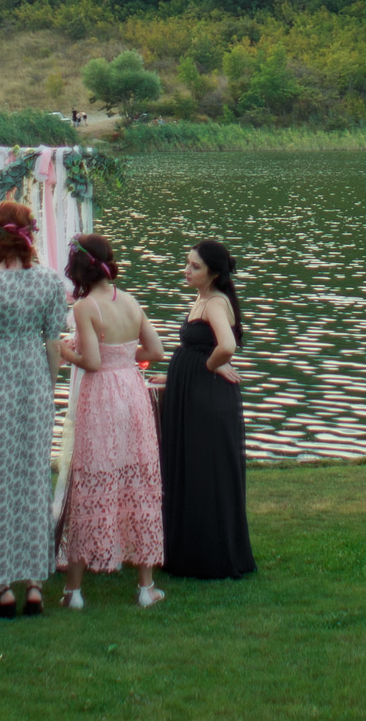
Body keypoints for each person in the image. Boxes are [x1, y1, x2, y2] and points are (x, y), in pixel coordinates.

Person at [0, 199, 70, 618]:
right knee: (31, 483)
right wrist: (49, 385)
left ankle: (2, 588)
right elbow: (53, 343)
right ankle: (35, 585)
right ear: (29, 236)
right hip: (34, 388)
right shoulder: (49, 283)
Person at [55, 233, 169, 608]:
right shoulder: (131, 301)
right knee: (137, 478)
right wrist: (123, 353)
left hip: (101, 395)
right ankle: (145, 587)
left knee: (90, 478)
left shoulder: (85, 307)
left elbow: (91, 362)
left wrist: (63, 351)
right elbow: (155, 350)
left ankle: (74, 591)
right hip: (133, 393)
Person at [160, 239, 255, 579]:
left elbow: (226, 346)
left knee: (206, 472)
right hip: (193, 393)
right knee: (192, 470)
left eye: (195, 266)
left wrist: (212, 366)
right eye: (187, 263)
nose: (187, 270)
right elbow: (197, 347)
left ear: (213, 273)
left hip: (207, 398)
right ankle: (190, 551)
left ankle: (210, 558)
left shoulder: (215, 302)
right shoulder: (203, 297)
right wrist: (175, 373)